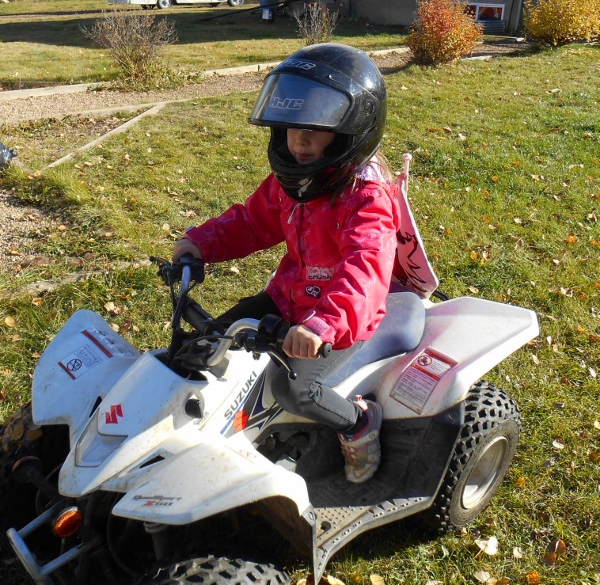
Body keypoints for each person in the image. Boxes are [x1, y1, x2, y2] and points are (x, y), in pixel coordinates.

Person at [173, 43, 420, 484]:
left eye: (315, 128)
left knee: (294, 389)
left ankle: (359, 423)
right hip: (286, 298)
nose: (299, 140)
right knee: (207, 343)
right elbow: (251, 222)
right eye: (291, 127)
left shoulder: (367, 199)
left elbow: (364, 269)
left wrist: (324, 325)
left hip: (338, 321)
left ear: (349, 133)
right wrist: (200, 243)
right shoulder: (294, 182)